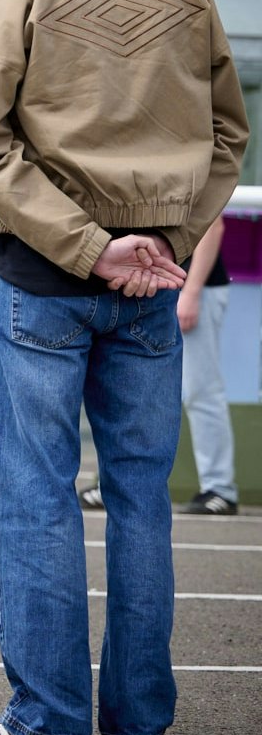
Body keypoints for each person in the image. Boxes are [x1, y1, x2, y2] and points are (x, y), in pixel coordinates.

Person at [0, 0, 248, 735]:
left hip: (40, 285)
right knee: (140, 505)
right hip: (150, 291)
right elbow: (227, 133)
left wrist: (86, 247)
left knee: (30, 500)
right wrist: (163, 242)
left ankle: (46, 720)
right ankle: (139, 722)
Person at [80, 216, 239, 516]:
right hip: (147, 284)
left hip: (189, 286)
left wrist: (191, 293)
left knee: (201, 390)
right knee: (126, 391)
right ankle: (112, 483)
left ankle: (220, 488)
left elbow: (212, 224)